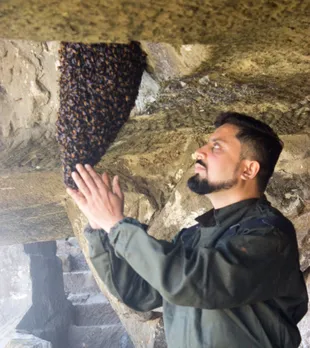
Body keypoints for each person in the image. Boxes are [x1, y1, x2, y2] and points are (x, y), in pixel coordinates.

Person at [66, 112, 308, 348]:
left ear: (248, 170)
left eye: (216, 147)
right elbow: (138, 292)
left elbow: (194, 282)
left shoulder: (269, 236)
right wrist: (100, 229)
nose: (198, 152)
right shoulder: (193, 236)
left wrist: (117, 225)